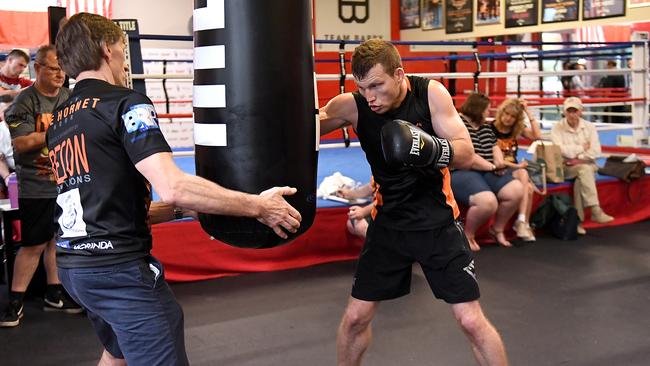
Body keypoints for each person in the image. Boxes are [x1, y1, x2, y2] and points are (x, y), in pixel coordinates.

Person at [49, 13, 301, 365]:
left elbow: (108, 206)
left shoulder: (61, 118)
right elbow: (173, 187)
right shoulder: (124, 103)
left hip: (76, 269)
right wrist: (258, 207)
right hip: (118, 271)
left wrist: (202, 207)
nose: (124, 63)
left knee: (116, 352)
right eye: (122, 50)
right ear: (107, 48)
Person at [319, 39, 508, 366]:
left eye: (377, 85)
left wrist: (430, 148)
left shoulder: (430, 94)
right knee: (354, 319)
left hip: (438, 225)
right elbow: (307, 127)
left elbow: (466, 152)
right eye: (362, 88)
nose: (370, 97)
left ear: (399, 75)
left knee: (471, 321)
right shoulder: (353, 105)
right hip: (387, 226)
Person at [0, 45, 82, 328]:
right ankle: (15, 302)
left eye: (63, 69)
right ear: (38, 68)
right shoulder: (24, 102)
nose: (60, 74)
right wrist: (59, 129)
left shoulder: (69, 97)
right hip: (36, 184)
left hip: (66, 183)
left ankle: (53, 292)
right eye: (54, 68)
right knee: (34, 244)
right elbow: (21, 144)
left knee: (57, 240)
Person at [451, 93, 524, 250]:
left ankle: (497, 229)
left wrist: (498, 162)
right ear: (478, 109)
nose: (489, 113)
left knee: (516, 190)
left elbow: (494, 146)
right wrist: (492, 167)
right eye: (487, 110)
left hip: (487, 169)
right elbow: (469, 156)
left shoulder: (484, 126)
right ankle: (468, 235)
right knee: (487, 202)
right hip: (462, 170)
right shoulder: (457, 123)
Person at [551, 97, 614, 235]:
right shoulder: (557, 128)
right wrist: (581, 148)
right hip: (566, 167)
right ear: (564, 112)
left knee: (582, 177)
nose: (572, 114)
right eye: (569, 111)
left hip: (585, 164)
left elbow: (596, 151)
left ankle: (578, 221)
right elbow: (559, 150)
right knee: (584, 170)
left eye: (575, 111)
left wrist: (577, 158)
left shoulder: (589, 127)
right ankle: (595, 210)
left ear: (581, 111)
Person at [492, 98, 542, 242]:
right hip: (499, 169)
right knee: (526, 180)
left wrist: (528, 111)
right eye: (506, 114)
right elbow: (496, 160)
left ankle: (522, 223)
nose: (508, 118)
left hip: (513, 169)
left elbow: (537, 137)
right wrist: (517, 167)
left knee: (528, 187)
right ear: (501, 113)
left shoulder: (516, 130)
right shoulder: (491, 129)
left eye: (513, 116)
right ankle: (522, 223)